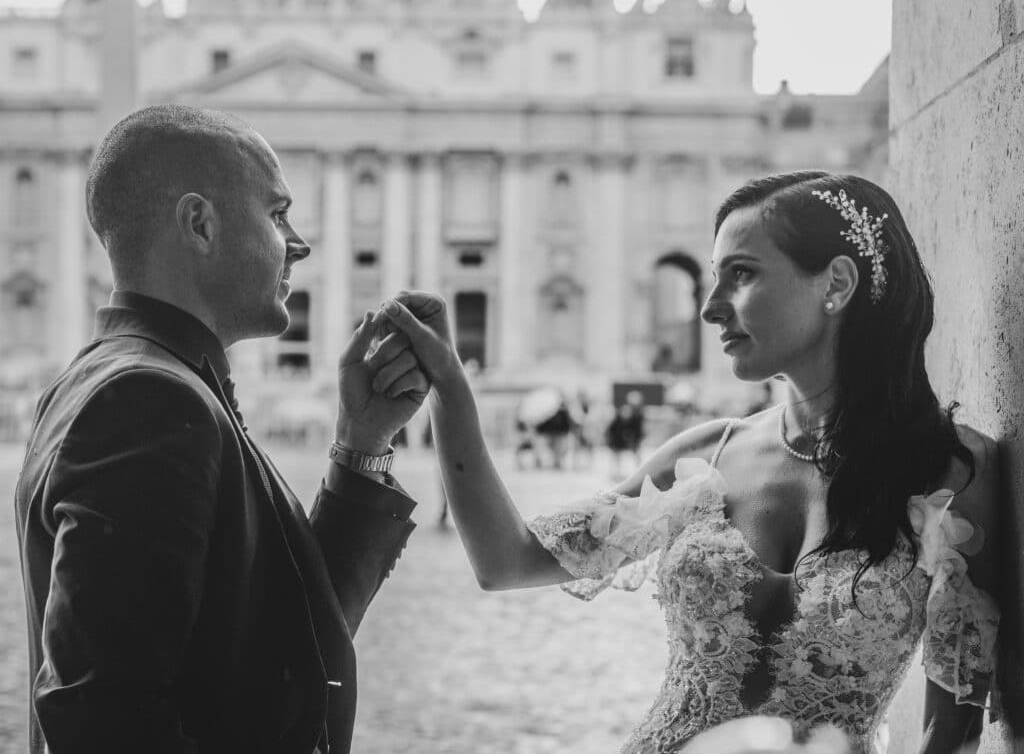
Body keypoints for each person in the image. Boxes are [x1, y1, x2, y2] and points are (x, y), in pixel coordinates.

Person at [377, 171, 1001, 754]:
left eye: (741, 275)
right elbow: (506, 561)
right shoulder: (705, 457)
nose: (710, 307)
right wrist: (450, 393)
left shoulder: (956, 473)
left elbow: (952, 733)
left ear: (836, 284)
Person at [14, 105, 428, 754]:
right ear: (200, 224)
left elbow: (291, 645)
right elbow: (103, 721)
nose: (299, 242)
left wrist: (363, 441)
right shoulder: (143, 400)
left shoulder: (128, 380)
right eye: (277, 212)